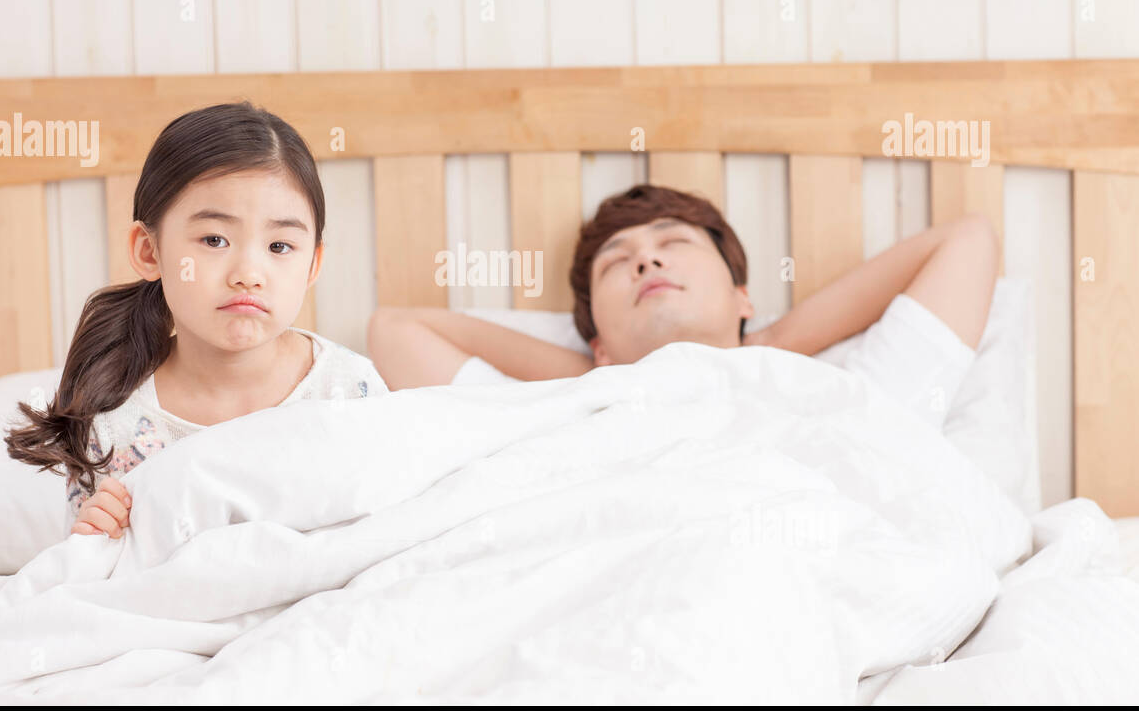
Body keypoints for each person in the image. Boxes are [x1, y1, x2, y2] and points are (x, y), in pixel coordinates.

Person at [5, 102, 388, 538]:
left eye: (280, 247)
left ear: (313, 265)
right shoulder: (115, 424)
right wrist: (95, 535)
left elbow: (388, 532)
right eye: (214, 239)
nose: (248, 274)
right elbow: (93, 577)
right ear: (150, 251)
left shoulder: (350, 391)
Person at [368, 183, 998, 430]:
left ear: (742, 293)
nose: (645, 261)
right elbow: (394, 330)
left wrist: (761, 344)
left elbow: (967, 242)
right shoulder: (567, 414)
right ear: (599, 342)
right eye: (618, 262)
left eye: (672, 243)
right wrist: (605, 374)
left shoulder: (849, 396)